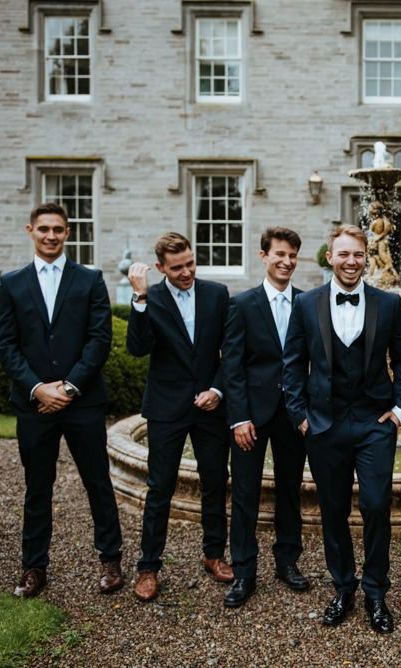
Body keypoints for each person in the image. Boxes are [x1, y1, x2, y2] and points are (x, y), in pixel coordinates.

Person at [283, 224, 401, 634]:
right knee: (333, 509)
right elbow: (292, 363)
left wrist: (399, 408)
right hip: (324, 424)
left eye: (358, 254)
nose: (352, 262)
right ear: (330, 258)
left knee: (376, 505)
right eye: (344, 254)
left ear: (366, 257)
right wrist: (300, 415)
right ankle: (343, 586)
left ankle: (376, 591)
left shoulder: (388, 305)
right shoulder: (306, 304)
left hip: (374, 423)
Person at [0, 202, 123, 598]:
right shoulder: (12, 283)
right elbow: (6, 343)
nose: (51, 236)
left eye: (59, 230)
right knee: (37, 487)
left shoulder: (89, 279)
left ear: (68, 233)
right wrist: (38, 388)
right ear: (30, 230)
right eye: (44, 229)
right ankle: (34, 567)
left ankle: (111, 560)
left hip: (82, 403)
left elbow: (99, 339)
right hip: (33, 404)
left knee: (98, 483)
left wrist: (67, 388)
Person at [126, 232, 232, 602]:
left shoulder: (217, 294)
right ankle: (148, 567)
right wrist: (138, 297)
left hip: (210, 407)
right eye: (176, 267)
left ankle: (214, 554)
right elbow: (137, 348)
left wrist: (218, 390)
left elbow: (231, 351)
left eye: (190, 263)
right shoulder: (149, 298)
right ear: (160, 268)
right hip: (166, 408)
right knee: (160, 488)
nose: (186, 271)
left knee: (215, 482)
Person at [221, 227, 308, 608]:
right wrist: (239, 418)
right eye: (280, 255)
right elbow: (232, 366)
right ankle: (244, 572)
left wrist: (308, 411)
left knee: (290, 491)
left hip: (294, 415)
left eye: (292, 256)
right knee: (244, 494)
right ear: (264, 256)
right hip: (251, 417)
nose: (286, 262)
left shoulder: (308, 303)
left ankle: (287, 563)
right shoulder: (242, 304)